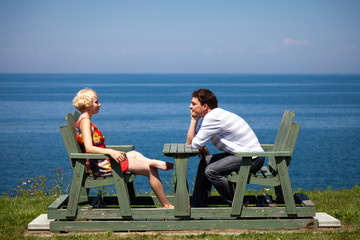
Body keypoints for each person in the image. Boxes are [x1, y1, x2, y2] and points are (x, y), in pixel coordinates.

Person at [72, 88, 174, 208]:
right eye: (96, 102)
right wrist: (111, 152)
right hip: (102, 165)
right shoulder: (86, 122)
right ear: (87, 104)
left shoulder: (83, 120)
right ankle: (166, 205)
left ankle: (153, 162)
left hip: (100, 162)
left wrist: (111, 152)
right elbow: (89, 148)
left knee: (135, 153)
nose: (100, 104)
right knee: (150, 170)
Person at [186, 89, 265, 207]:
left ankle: (238, 202)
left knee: (211, 171)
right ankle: (198, 205)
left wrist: (193, 120)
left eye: (194, 104)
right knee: (205, 162)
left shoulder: (212, 117)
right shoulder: (209, 117)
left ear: (205, 106)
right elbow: (192, 143)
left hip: (252, 159)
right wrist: (198, 139)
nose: (190, 107)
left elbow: (194, 144)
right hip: (243, 155)